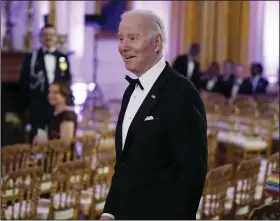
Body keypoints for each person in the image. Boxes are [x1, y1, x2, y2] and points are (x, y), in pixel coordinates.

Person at [101, 9, 208, 220]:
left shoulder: (181, 92)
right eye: (120, 38)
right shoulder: (130, 91)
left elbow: (192, 172)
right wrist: (109, 211)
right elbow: (124, 164)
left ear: (157, 42)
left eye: (133, 38)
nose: (123, 46)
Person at [19, 24, 72, 143]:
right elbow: (24, 81)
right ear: (40, 38)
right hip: (38, 105)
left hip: (57, 105)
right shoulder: (31, 57)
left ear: (56, 38)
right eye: (45, 35)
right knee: (36, 137)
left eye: (51, 35)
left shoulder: (63, 57)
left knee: (56, 137)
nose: (48, 38)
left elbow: (67, 79)